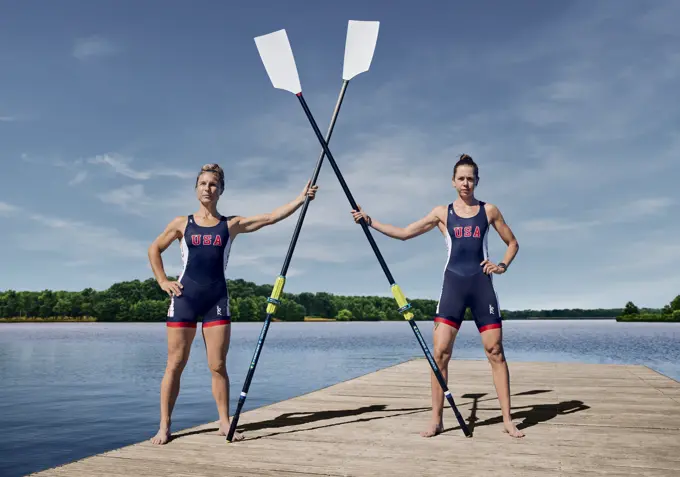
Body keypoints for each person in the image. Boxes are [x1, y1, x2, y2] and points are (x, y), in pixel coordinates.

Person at [350, 154, 524, 438]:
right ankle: (436, 420)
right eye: (461, 178)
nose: (466, 183)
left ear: (477, 181)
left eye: (471, 178)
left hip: (482, 287)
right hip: (453, 287)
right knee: (440, 354)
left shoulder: (489, 210)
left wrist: (501, 265)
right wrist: (370, 221)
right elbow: (405, 233)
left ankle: (507, 419)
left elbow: (513, 243)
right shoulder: (442, 213)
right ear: (453, 182)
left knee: (495, 352)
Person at [147, 163, 319, 444]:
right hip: (184, 299)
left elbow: (270, 218)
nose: (207, 188)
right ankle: (164, 426)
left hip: (216, 299)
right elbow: (154, 249)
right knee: (175, 364)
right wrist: (163, 281)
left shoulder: (230, 225)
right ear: (196, 189)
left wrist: (301, 199)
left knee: (217, 366)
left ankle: (224, 423)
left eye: (213, 184)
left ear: (221, 190)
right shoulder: (182, 223)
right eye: (203, 184)